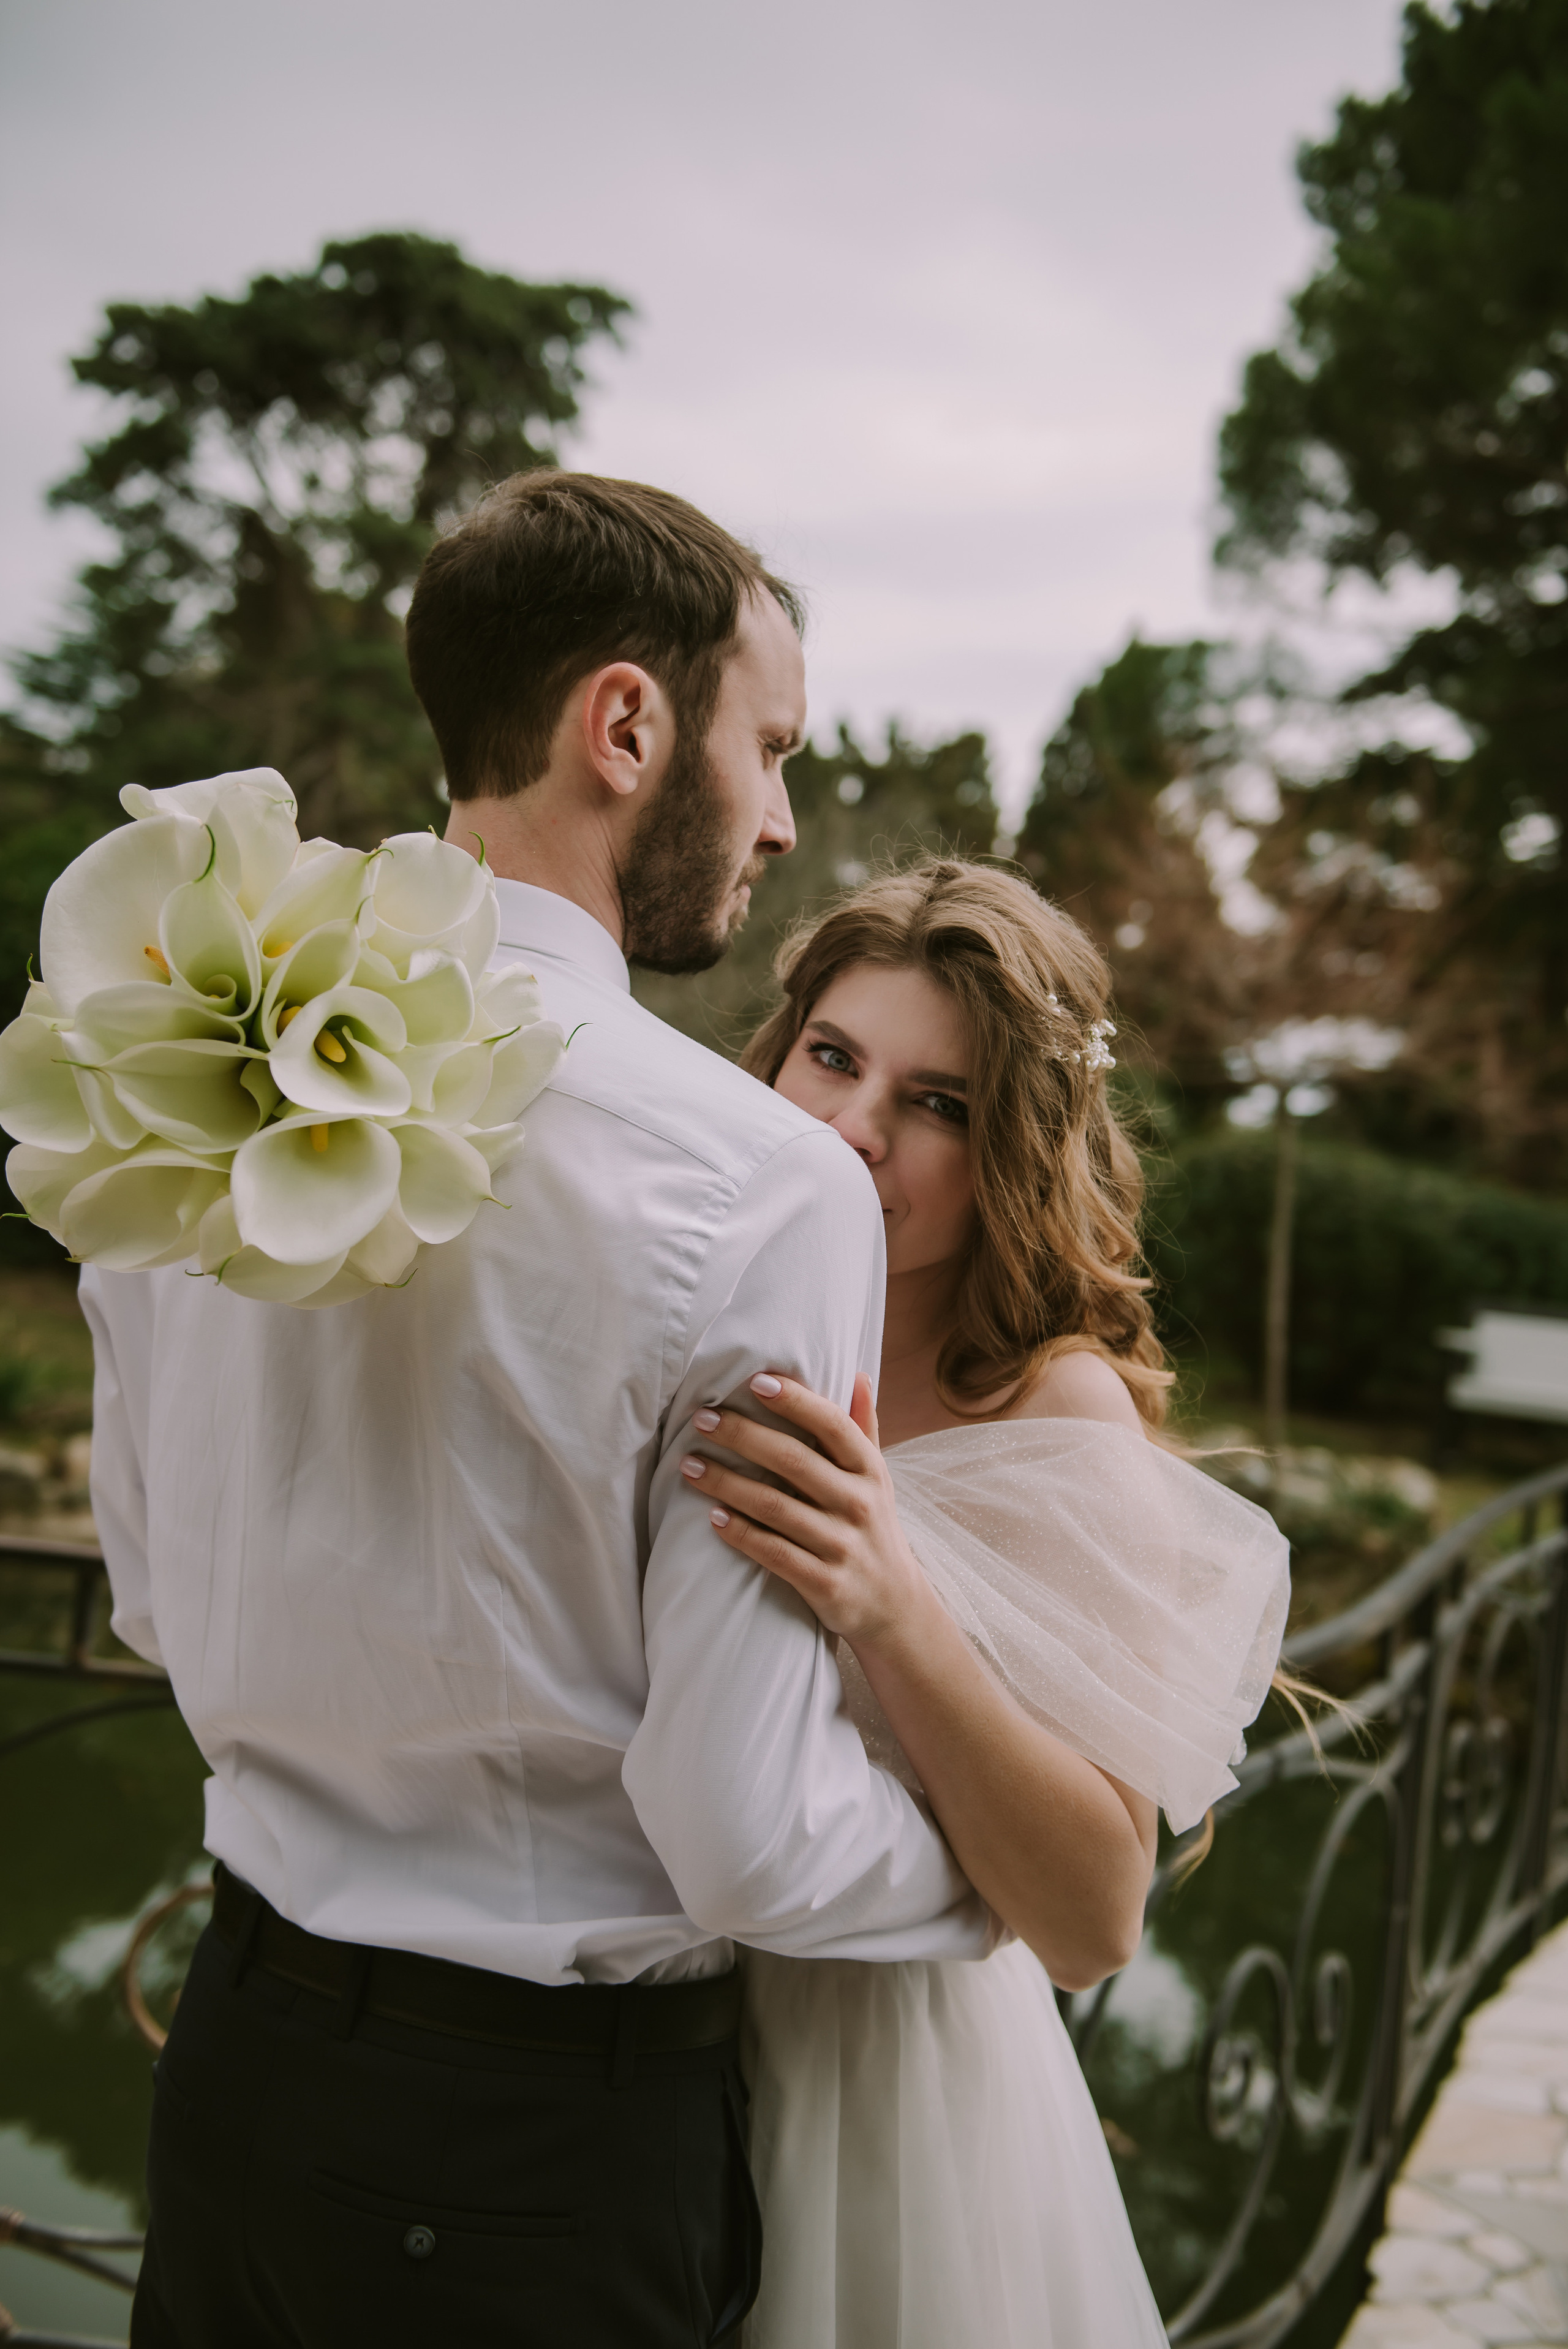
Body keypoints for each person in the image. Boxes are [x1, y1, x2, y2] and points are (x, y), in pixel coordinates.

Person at [83, 474, 998, 2349]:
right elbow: (747, 1836)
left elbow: (158, 1609)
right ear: (628, 726)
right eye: (772, 748)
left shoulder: (185, 1070)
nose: (786, 818)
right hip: (525, 2170)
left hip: (234, 2071)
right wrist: (988, 1876)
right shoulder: (766, 1189)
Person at [676, 860, 1291, 2347]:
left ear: (1010, 1142)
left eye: (935, 1105)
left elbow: (1093, 1915)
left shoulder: (1042, 1403)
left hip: (880, 2095)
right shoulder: (700, 1306)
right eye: (832, 1057)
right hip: (619, 2051)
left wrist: (894, 1605)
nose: (852, 1131)